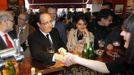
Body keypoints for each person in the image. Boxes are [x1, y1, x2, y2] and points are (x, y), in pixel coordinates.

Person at [62, 13, 134, 75]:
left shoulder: (90, 34)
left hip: (85, 59)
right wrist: (74, 52)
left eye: (127, 31)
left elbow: (90, 49)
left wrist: (87, 36)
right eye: (79, 24)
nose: (121, 33)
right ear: (76, 24)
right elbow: (105, 67)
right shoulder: (72, 32)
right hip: (75, 60)